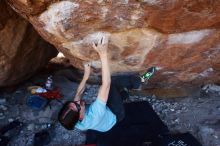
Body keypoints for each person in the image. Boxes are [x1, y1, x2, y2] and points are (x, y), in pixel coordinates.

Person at [58, 34, 156, 132]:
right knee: (111, 84)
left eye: (73, 103)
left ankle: (123, 94)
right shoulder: (95, 114)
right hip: (115, 114)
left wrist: (86, 75)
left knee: (111, 93)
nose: (78, 102)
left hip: (104, 120)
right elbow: (106, 84)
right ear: (80, 117)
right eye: (78, 106)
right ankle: (140, 81)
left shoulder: (73, 119)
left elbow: (79, 93)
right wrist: (103, 53)